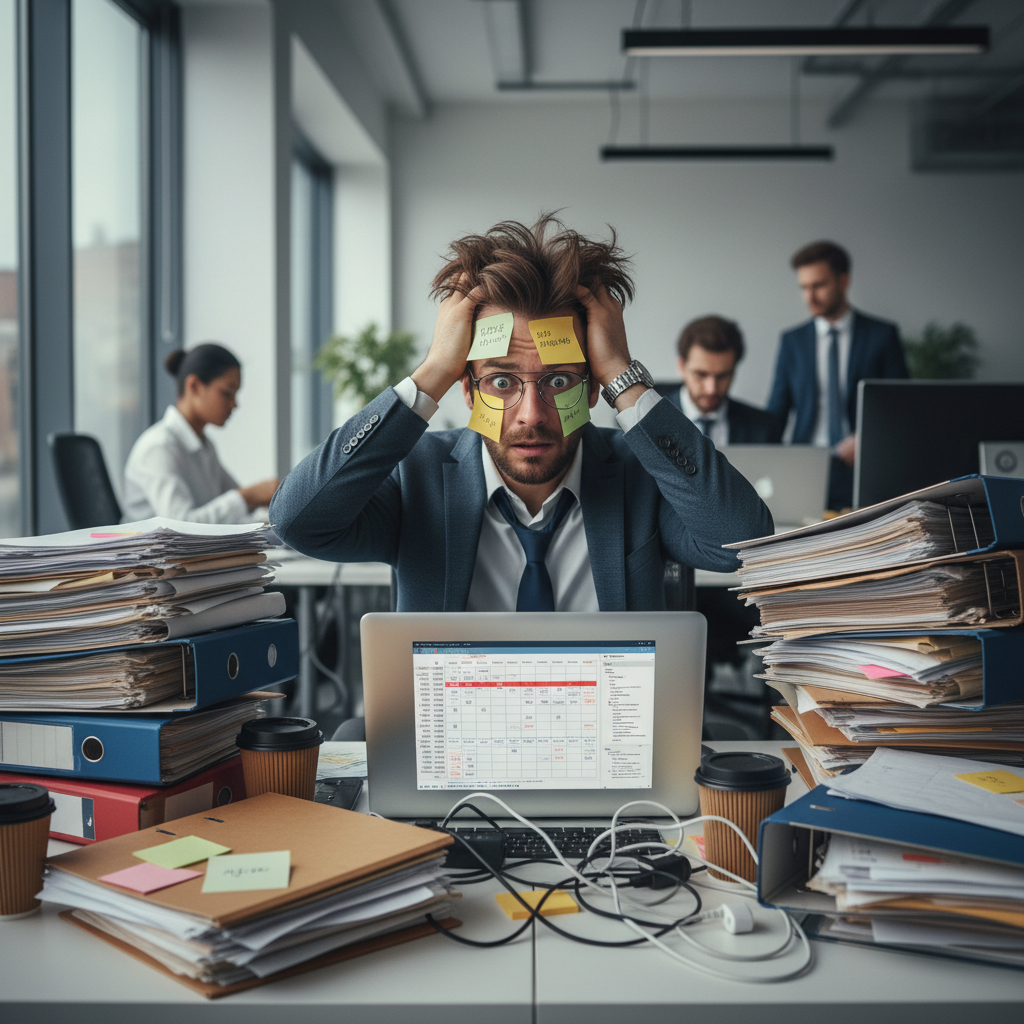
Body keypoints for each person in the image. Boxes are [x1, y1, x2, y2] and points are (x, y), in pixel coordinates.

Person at [270, 216, 772, 613]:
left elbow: (741, 544)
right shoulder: (417, 475)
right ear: (467, 391)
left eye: (558, 381)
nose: (531, 415)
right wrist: (434, 370)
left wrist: (622, 370)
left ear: (594, 388)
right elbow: (297, 521)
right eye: (502, 381)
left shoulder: (641, 476)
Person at [767, 240, 908, 511]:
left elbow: (900, 407)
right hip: (805, 466)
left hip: (862, 463)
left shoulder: (881, 336)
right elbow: (777, 410)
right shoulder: (792, 341)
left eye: (818, 286)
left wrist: (866, 439)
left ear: (843, 281)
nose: (810, 296)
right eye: (804, 288)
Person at [122, 343, 280, 523]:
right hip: (149, 551)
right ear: (195, 386)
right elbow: (180, 524)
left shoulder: (204, 446)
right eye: (227, 393)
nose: (234, 405)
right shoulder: (158, 447)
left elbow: (235, 512)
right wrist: (248, 496)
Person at [655, 315, 782, 445]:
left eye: (722, 376)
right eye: (701, 374)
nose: (711, 389)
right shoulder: (650, 420)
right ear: (681, 366)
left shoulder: (764, 428)